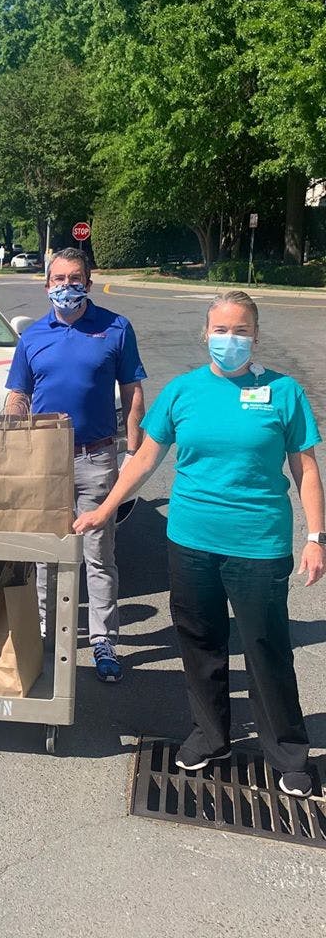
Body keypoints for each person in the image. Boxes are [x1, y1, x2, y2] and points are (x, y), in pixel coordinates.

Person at [74, 290, 324, 798]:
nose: (229, 339)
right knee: (200, 642)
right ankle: (212, 737)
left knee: (265, 648)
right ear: (204, 334)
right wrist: (105, 508)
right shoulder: (183, 392)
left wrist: (316, 537)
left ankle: (288, 752)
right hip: (190, 541)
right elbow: (145, 457)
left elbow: (305, 468)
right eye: (220, 330)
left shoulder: (283, 393)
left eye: (240, 330)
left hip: (258, 543)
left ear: (255, 335)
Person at [5, 246, 147, 682]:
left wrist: (133, 453)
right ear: (47, 284)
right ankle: (46, 631)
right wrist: (13, 445)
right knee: (48, 553)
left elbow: (133, 393)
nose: (67, 286)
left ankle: (103, 639)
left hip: (97, 457)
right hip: (46, 459)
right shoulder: (32, 337)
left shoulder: (115, 328)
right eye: (59, 278)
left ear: (88, 281)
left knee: (98, 553)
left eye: (75, 278)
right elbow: (17, 396)